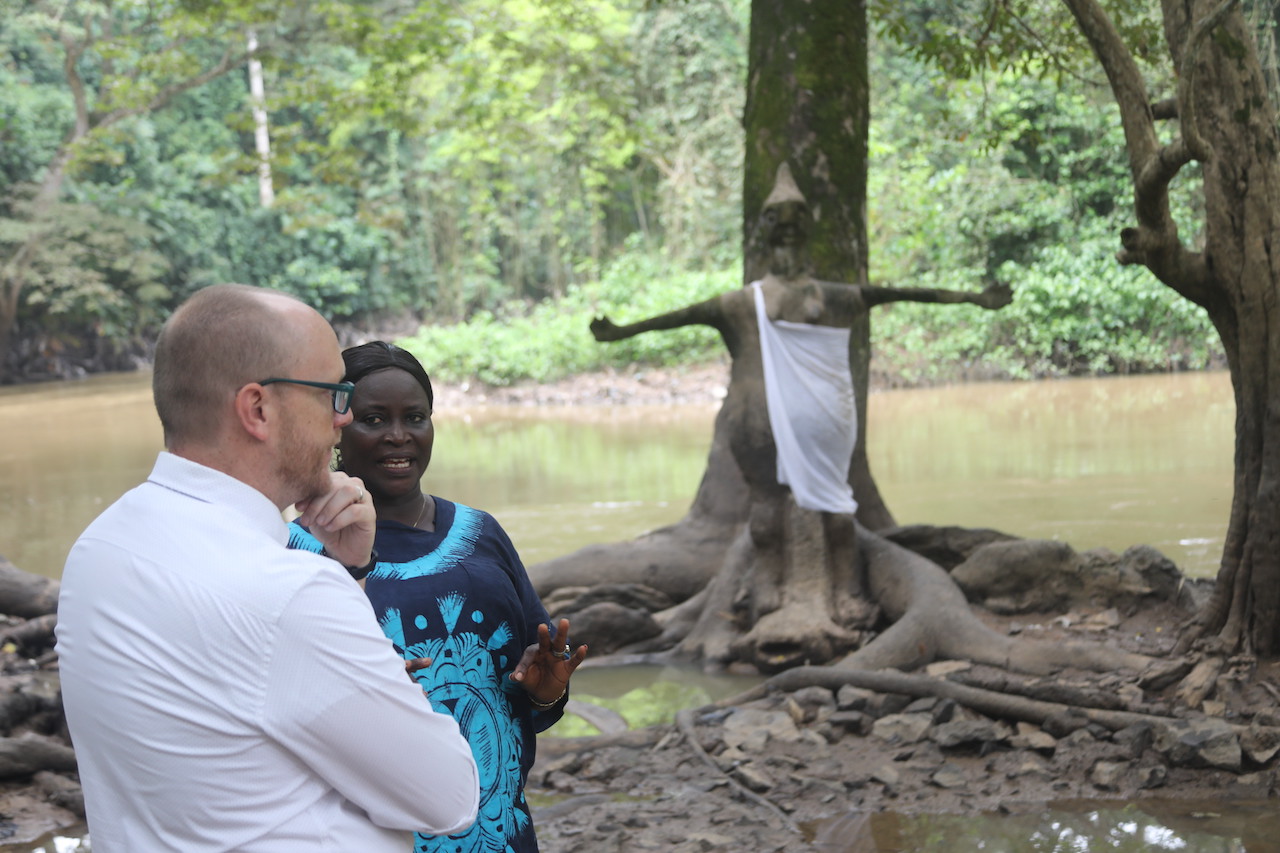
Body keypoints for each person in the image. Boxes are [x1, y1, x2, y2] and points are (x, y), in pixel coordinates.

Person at [56, 284, 480, 852]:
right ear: (257, 409)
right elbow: (448, 796)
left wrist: (348, 569)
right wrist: (335, 583)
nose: (345, 417)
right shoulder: (287, 593)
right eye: (333, 393)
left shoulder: (102, 544)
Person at [591, 162, 1012, 667]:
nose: (786, 227)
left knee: (836, 509)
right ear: (763, 232)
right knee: (766, 511)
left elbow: (900, 291)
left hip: (823, 420)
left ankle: (843, 592)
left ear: (807, 228)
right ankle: (767, 583)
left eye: (796, 218)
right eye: (776, 219)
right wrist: (621, 333)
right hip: (757, 425)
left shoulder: (832, 296)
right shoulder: (739, 304)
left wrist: (971, 299)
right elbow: (672, 320)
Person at [287, 340, 587, 853]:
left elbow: (522, 696)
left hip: (501, 832)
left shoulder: (480, 533)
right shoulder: (299, 550)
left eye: (416, 417)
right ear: (336, 426)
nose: (398, 436)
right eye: (374, 419)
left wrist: (546, 690)